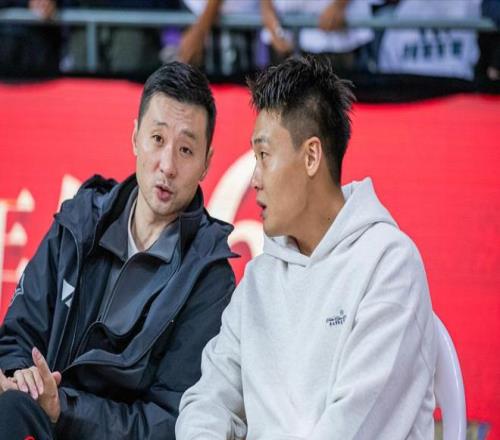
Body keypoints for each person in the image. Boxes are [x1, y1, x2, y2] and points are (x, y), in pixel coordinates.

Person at [176, 54, 438, 439]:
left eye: (264, 156)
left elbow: (351, 429)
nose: (255, 178)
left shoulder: (389, 265)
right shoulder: (259, 279)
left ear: (311, 156)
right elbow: (207, 401)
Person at [0, 61, 236, 439]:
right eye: (157, 139)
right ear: (135, 137)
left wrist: (63, 409)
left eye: (186, 150)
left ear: (206, 163)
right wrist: (18, 378)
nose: (167, 166)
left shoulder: (208, 277)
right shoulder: (80, 221)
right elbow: (16, 337)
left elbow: (170, 421)